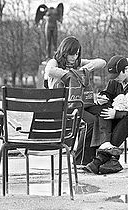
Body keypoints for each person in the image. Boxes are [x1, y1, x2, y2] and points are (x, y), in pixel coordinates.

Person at [44, 36, 108, 165]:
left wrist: (85, 69)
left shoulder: (77, 63)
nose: (74, 57)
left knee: (104, 114)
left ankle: (100, 155)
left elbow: (102, 62)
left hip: (80, 103)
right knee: (91, 122)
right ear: (64, 52)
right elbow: (49, 71)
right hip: (64, 107)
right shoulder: (54, 62)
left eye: (77, 54)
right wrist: (69, 74)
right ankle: (80, 159)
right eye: (72, 54)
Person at [84, 55, 128, 174]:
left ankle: (100, 160)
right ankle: (110, 158)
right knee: (103, 111)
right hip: (124, 114)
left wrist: (117, 114)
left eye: (116, 75)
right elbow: (108, 93)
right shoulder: (116, 81)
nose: (114, 79)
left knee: (125, 122)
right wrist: (103, 97)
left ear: (125, 70)